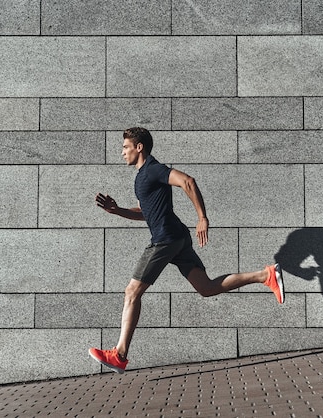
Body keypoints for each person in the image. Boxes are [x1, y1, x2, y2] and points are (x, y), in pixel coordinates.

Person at [88, 127, 284, 373]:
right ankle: (265, 275)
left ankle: (119, 354)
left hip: (165, 239)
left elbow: (187, 181)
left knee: (131, 291)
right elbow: (144, 213)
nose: (122, 152)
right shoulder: (141, 178)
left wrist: (202, 217)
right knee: (207, 288)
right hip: (177, 237)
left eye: (126, 147)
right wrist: (117, 211)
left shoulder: (153, 169)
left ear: (140, 147)